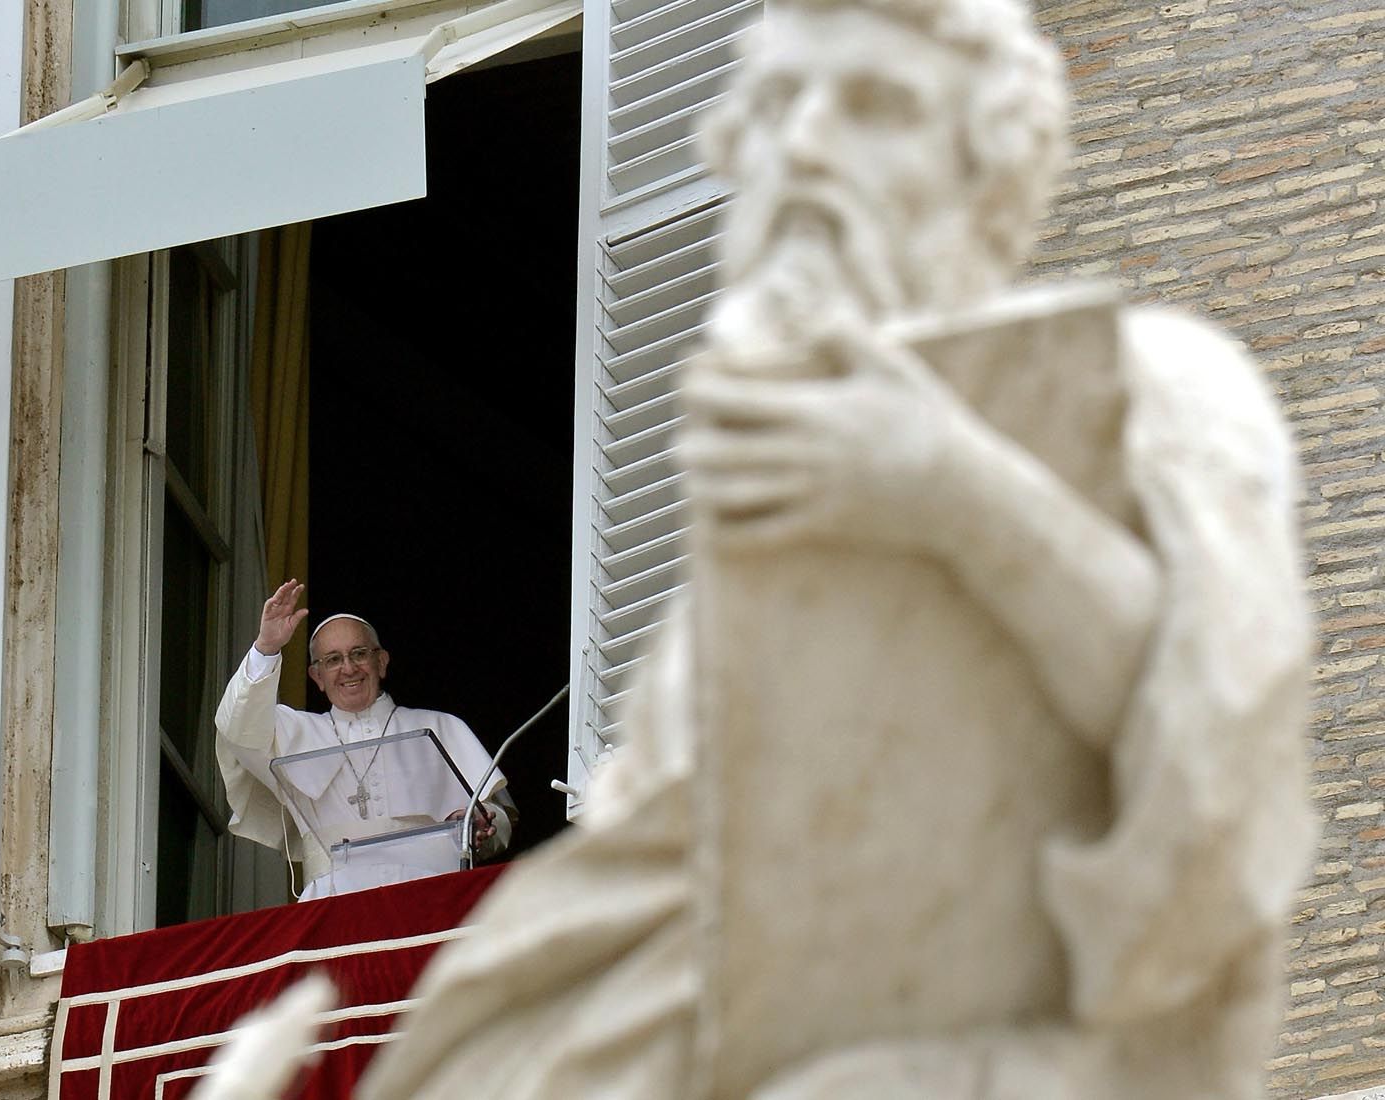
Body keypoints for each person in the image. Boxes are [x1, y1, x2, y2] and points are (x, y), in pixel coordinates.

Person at [354, 0, 1314, 1097]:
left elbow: (1218, 752)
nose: (806, 147)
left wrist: (954, 489)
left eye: (870, 104)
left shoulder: (1156, 389)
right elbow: (618, 900)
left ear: (988, 157)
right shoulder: (765, 549)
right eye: (777, 108)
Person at [214, 580, 514, 901]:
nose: (348, 668)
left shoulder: (441, 727)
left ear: (381, 662)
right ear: (317, 677)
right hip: (333, 903)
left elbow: (499, 821)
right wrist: (266, 648)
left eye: (359, 653)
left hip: (431, 897)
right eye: (332, 660)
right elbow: (235, 726)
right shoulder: (292, 732)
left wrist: (477, 825)